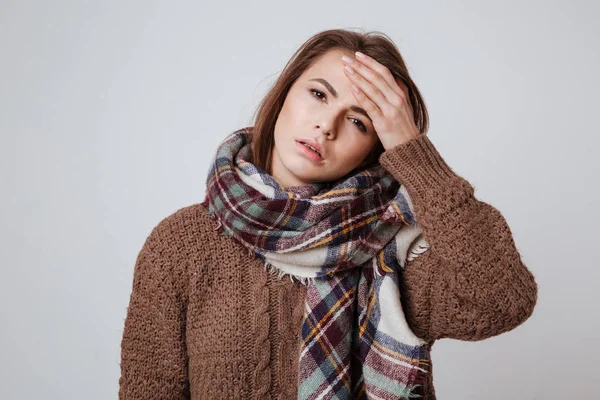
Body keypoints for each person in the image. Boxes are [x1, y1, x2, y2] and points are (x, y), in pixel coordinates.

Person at [118, 28, 538, 400]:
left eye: (359, 121)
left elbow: (502, 301)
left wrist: (414, 150)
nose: (326, 126)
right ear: (284, 92)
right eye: (319, 94)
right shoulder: (182, 244)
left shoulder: (392, 251)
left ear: (376, 149)